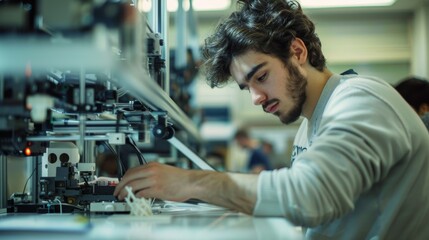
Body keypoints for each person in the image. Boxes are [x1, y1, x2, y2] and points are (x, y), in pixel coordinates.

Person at [114, 0, 429, 239]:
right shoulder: (310, 124)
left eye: (261, 76)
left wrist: (191, 181)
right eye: (247, 87)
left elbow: (310, 196)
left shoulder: (361, 100)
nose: (256, 98)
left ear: (297, 51)